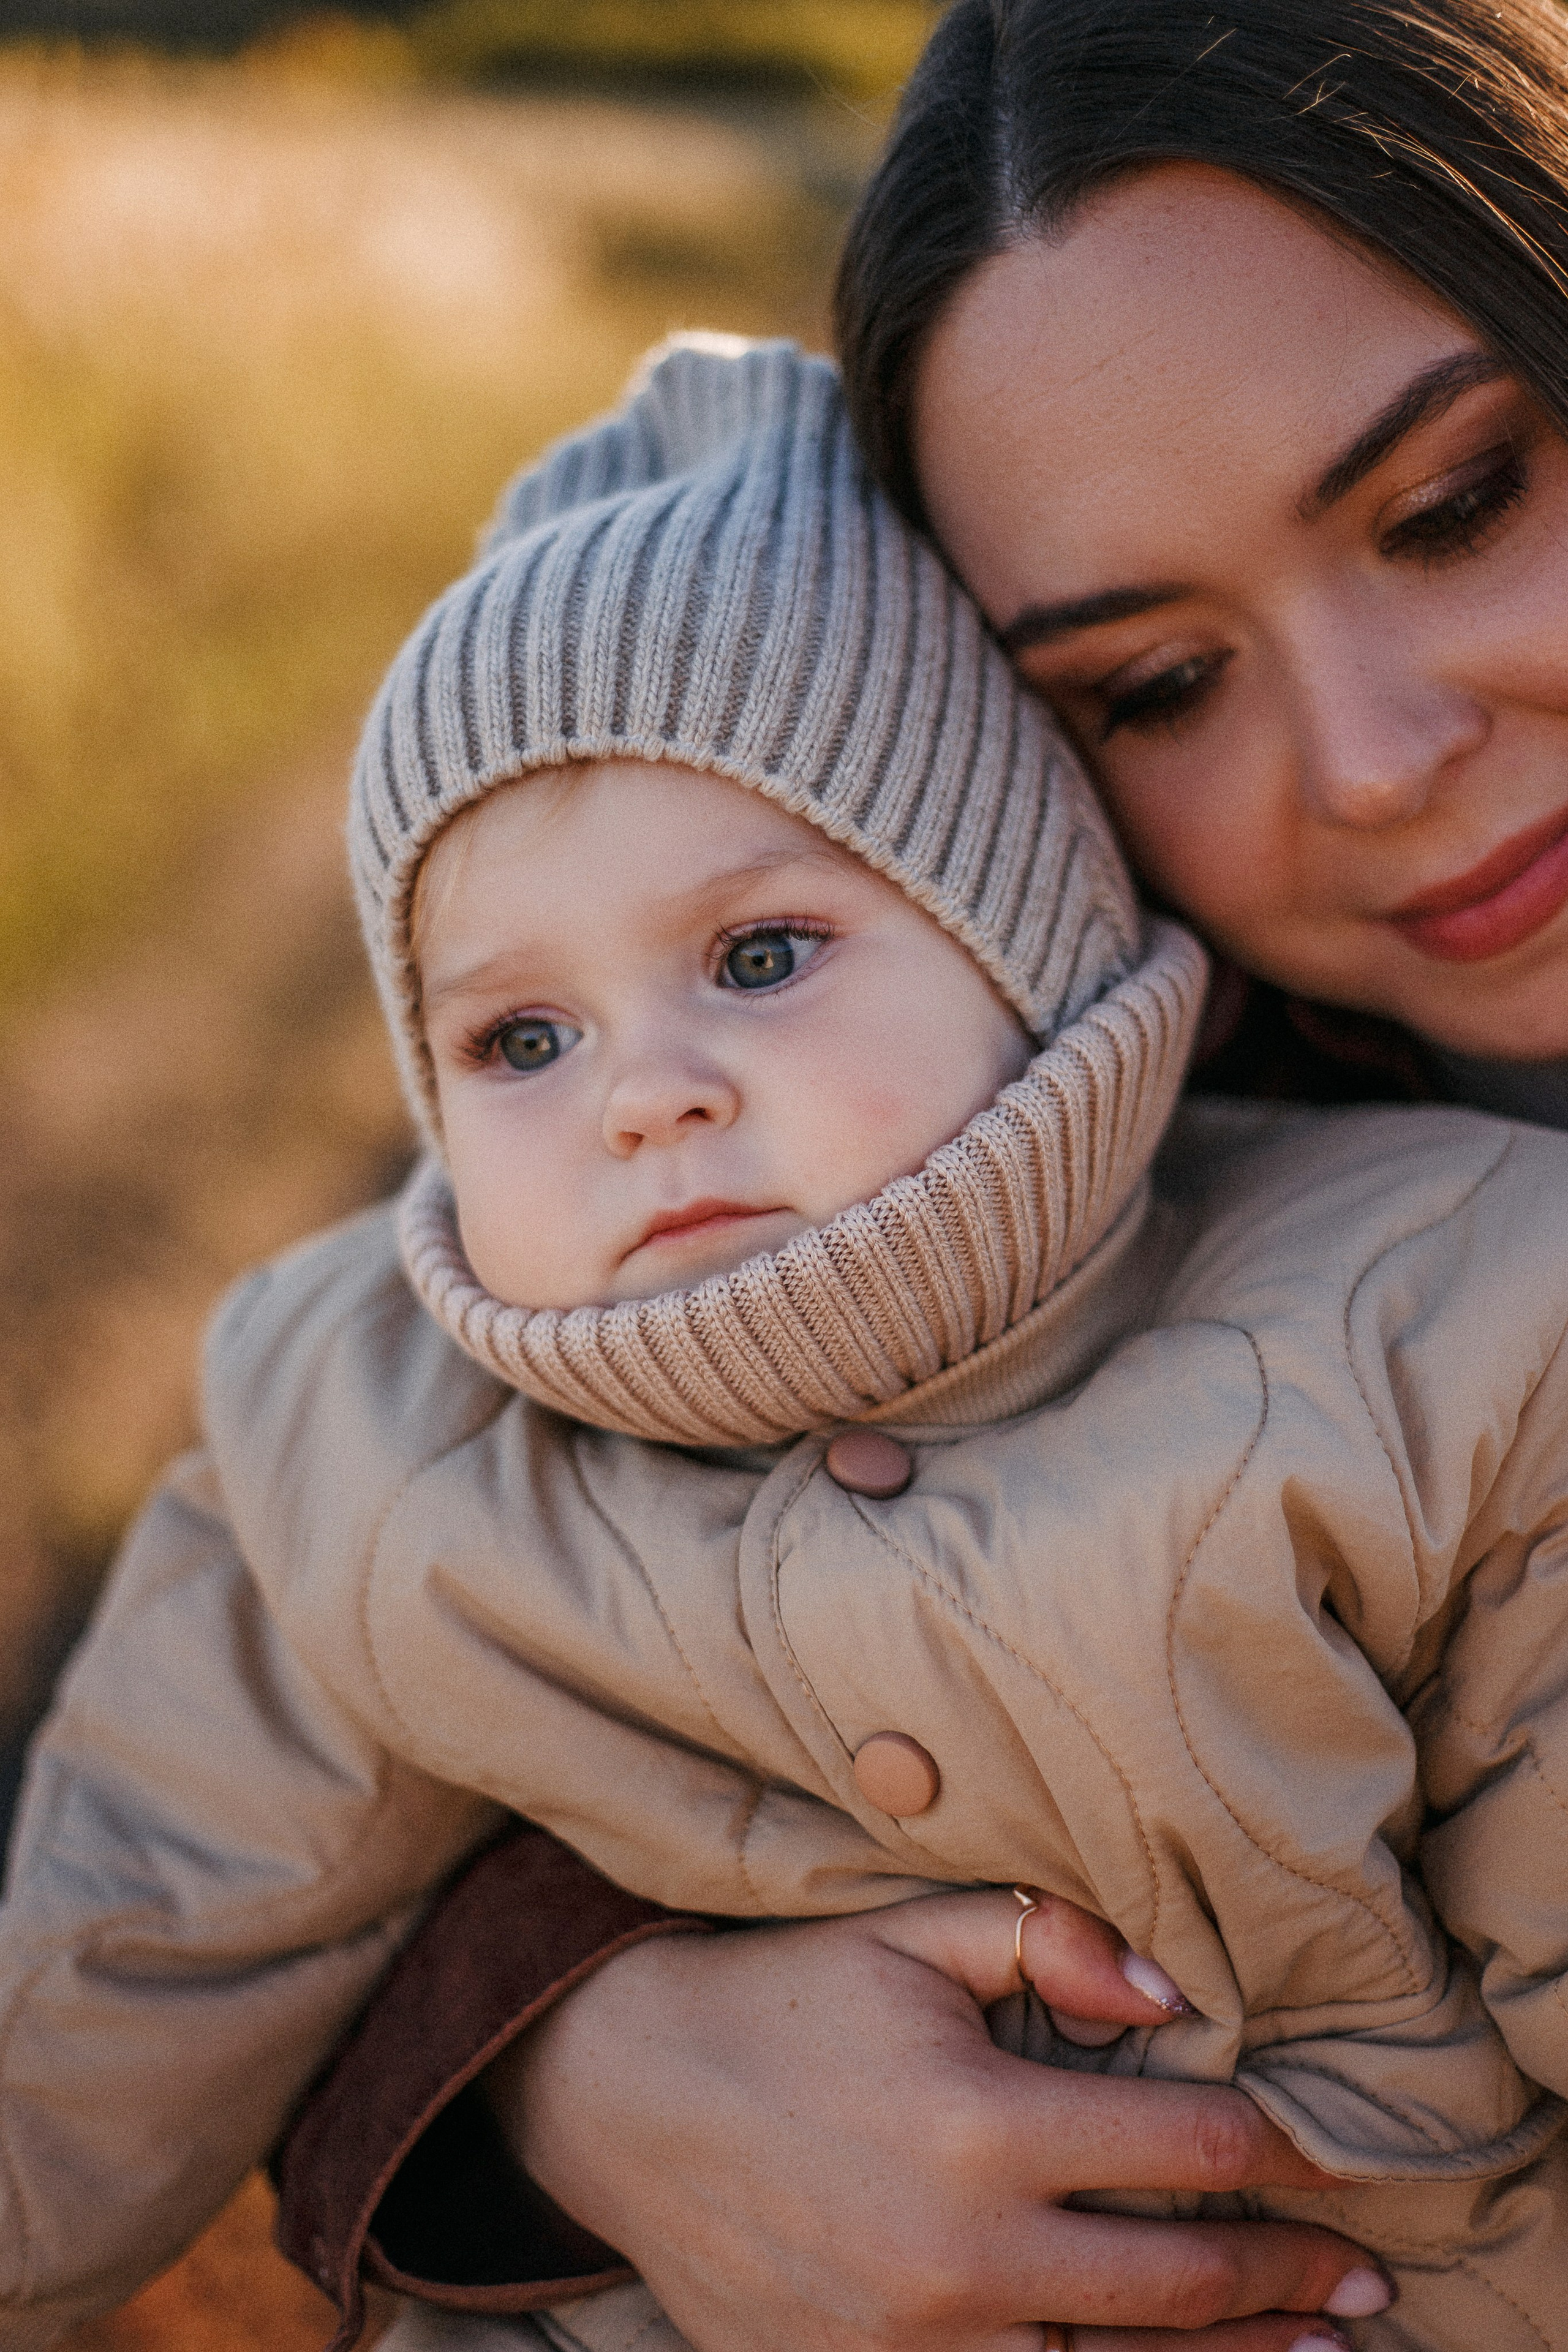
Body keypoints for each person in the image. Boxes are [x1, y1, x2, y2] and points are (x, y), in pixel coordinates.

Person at [276, 4, 1568, 2349]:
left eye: (1461, 501)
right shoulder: (1017, 1176)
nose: (1374, 765)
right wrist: (584, 2063)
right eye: (1155, 684)